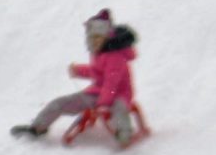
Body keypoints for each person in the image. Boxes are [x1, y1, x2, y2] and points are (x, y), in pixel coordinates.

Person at [11, 9, 138, 142]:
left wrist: (103, 103)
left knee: (119, 109)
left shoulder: (115, 56)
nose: (94, 41)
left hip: (119, 93)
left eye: (97, 38)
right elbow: (96, 72)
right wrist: (78, 70)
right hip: (97, 93)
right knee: (60, 103)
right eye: (91, 38)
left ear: (106, 37)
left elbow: (111, 83)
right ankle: (37, 127)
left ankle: (125, 134)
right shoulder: (99, 52)